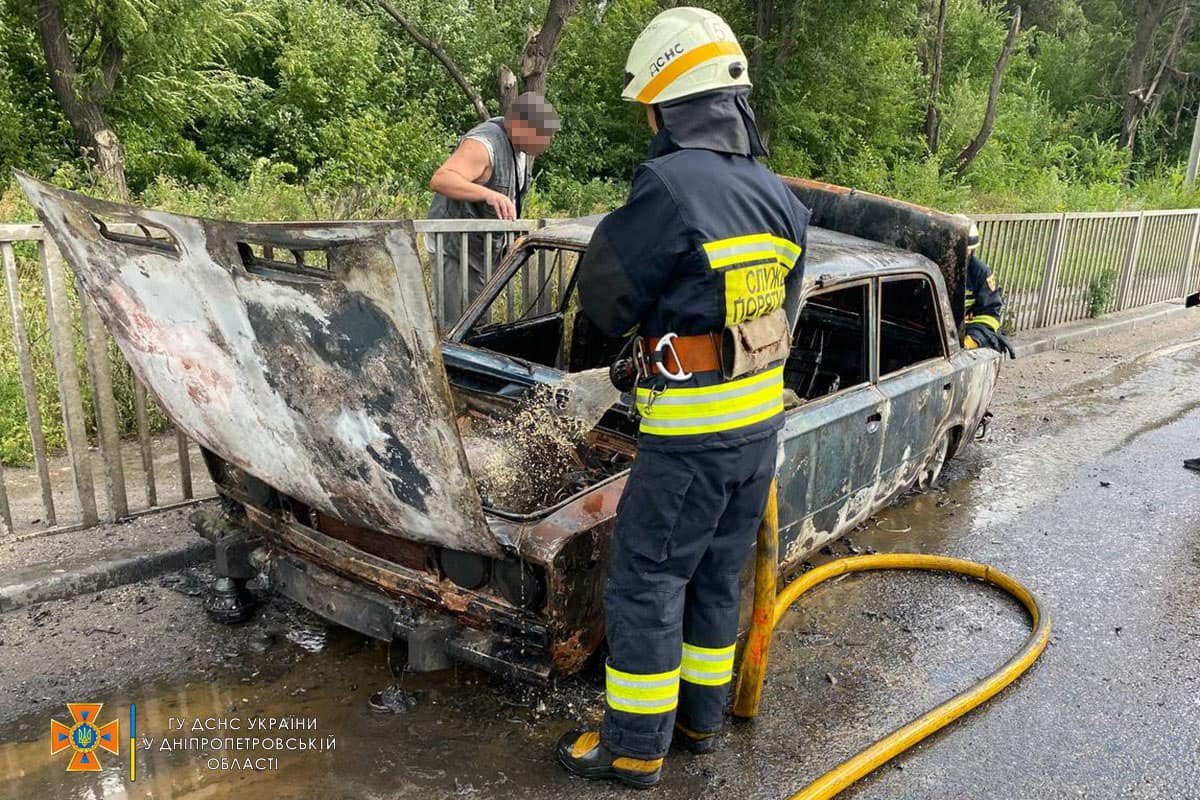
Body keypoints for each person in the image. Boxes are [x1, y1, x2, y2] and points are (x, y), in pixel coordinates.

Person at [556, 7, 810, 788]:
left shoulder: (670, 183)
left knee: (646, 582)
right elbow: (786, 305)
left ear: (671, 104)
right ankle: (700, 721)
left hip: (691, 436)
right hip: (754, 432)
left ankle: (633, 746)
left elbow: (603, 297)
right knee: (714, 574)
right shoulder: (777, 196)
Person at [427, 93, 560, 323]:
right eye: (544, 135)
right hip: (457, 253)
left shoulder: (517, 148)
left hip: (480, 255)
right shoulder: (483, 144)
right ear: (521, 126)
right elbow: (441, 179)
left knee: (477, 325)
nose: (547, 143)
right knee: (456, 327)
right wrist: (488, 194)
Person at [962, 222, 1015, 357]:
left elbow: (990, 314)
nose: (961, 255)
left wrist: (974, 339)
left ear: (972, 250)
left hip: (965, 331)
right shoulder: (931, 267)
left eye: (966, 250)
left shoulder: (980, 272)